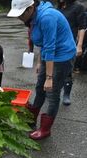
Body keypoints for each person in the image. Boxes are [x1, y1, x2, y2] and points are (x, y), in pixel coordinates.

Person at [7, 0, 76, 140]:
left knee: (52, 92)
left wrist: (49, 78)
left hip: (62, 56)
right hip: (49, 54)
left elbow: (50, 47)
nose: (19, 18)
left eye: (21, 14)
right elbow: (43, 43)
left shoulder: (47, 17)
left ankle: (45, 129)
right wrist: (40, 61)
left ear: (30, 8)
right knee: (40, 87)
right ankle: (31, 118)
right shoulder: (34, 17)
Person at [57, 0, 86, 106]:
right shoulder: (60, 6)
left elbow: (82, 27)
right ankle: (53, 92)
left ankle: (66, 94)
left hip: (69, 43)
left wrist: (79, 45)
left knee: (68, 70)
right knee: (53, 68)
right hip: (56, 42)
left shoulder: (78, 7)